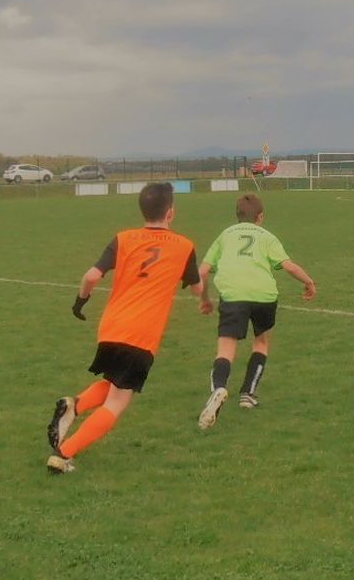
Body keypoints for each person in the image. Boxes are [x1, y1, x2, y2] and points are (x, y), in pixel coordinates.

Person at [45, 182, 203, 474]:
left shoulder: (124, 239)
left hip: (111, 327)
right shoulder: (184, 246)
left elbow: (92, 276)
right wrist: (204, 298)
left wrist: (80, 302)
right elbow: (197, 287)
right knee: (117, 403)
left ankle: (74, 405)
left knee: (115, 382)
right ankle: (63, 454)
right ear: (171, 212)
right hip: (142, 334)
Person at [197, 193, 316, 429]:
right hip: (264, 296)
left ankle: (219, 388)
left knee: (226, 349)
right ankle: (248, 394)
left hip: (233, 296)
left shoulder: (225, 235)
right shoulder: (267, 236)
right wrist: (309, 282)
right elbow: (288, 266)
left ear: (237, 216)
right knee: (261, 342)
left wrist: (205, 299)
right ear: (260, 217)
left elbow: (202, 272)